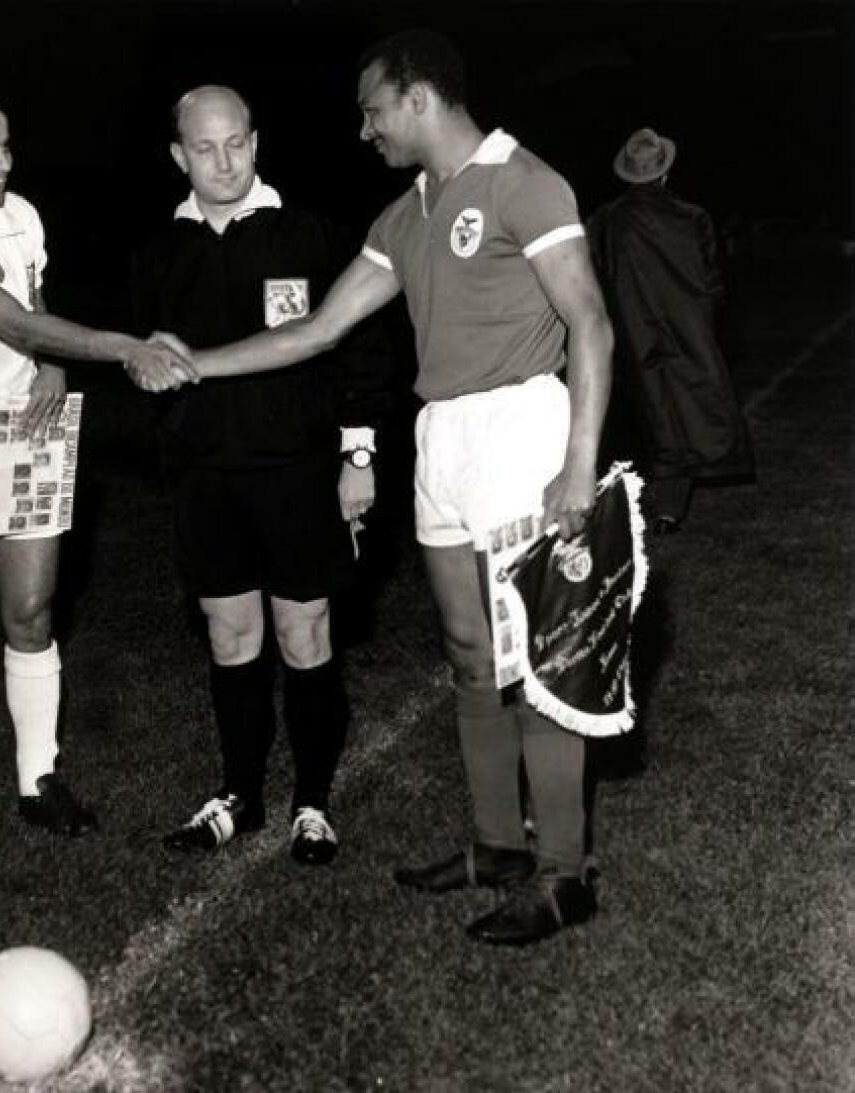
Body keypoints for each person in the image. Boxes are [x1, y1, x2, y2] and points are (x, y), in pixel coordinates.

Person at [145, 31, 615, 943]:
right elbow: (318, 330)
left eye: (372, 111)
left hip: (523, 428)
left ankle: (564, 872)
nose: (366, 131)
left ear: (417, 98)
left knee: (539, 660)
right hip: (442, 435)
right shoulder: (405, 214)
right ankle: (497, 846)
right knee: (469, 652)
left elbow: (589, 322)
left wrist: (579, 462)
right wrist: (191, 362)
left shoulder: (525, 182)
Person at [0, 83, 193, 848]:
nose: (4, 162)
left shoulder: (21, 215)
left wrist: (52, 365)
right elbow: (14, 321)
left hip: (22, 425)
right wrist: (123, 347)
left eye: (8, 145)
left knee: (30, 611)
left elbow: (34, 301)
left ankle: (37, 779)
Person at [130, 86, 393, 865]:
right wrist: (172, 427)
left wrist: (357, 455)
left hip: (299, 473)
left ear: (255, 141)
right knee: (230, 635)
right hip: (205, 480)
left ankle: (312, 802)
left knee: (304, 633)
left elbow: (362, 349)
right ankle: (239, 795)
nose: (224, 162)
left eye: (236, 143)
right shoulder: (157, 255)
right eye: (204, 148)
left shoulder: (310, 236)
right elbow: (144, 366)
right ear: (178, 156)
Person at [588, 127, 753, 533]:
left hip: (632, 335)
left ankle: (665, 506)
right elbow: (714, 282)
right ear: (665, 173)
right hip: (686, 330)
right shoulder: (692, 218)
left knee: (656, 412)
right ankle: (665, 505)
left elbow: (591, 276)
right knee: (687, 407)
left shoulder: (606, 222)